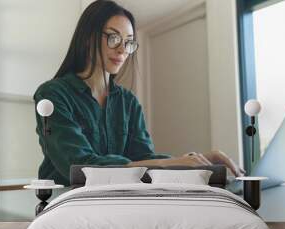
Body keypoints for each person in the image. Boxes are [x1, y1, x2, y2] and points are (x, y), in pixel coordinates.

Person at [34, 0, 245, 186]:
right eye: (114, 38)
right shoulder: (52, 95)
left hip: (118, 200)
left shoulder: (128, 102)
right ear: (88, 37)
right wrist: (172, 162)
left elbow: (143, 158)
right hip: (66, 204)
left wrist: (197, 161)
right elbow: (79, 167)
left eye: (128, 42)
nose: (123, 50)